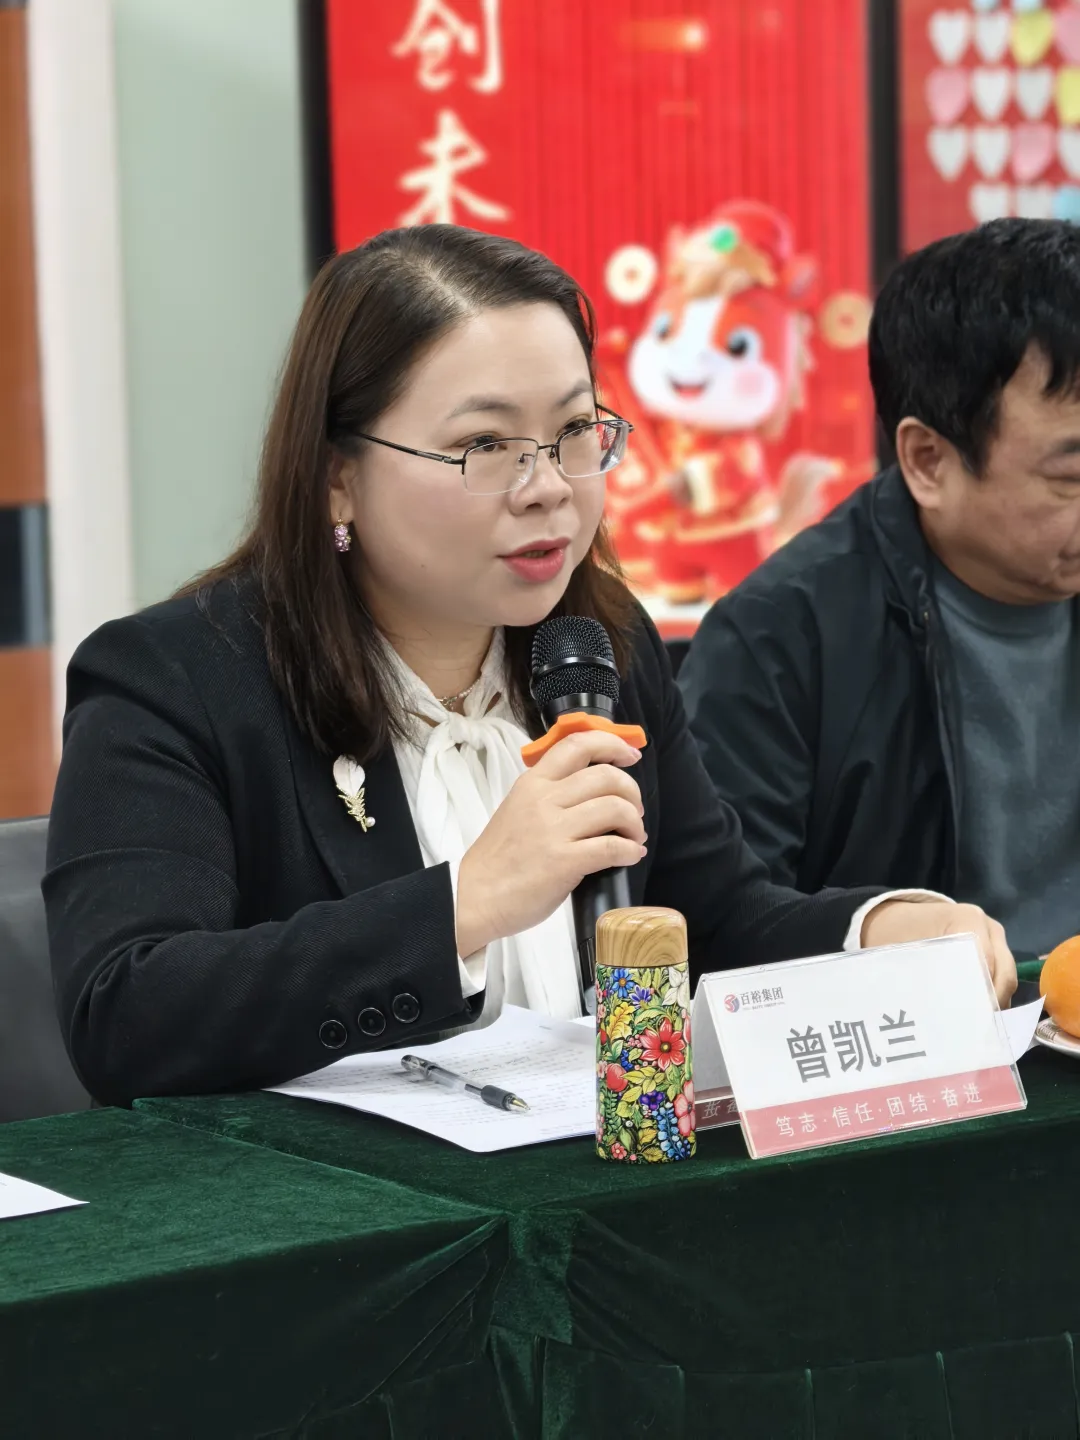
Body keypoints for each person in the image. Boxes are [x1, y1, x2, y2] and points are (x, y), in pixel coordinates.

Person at [45, 225, 1014, 1108]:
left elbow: (712, 920)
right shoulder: (174, 681)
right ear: (337, 477)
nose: (548, 487)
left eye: (574, 434)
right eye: (485, 446)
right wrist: (463, 904)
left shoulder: (599, 643)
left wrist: (878, 931)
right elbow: (125, 1013)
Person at [679, 217, 1080, 959]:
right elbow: (711, 931)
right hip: (924, 1021)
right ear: (928, 460)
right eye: (1071, 476)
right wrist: (881, 935)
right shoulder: (778, 636)